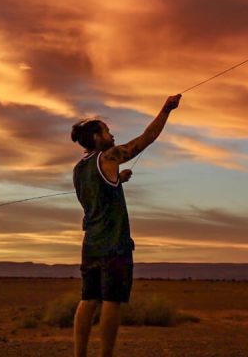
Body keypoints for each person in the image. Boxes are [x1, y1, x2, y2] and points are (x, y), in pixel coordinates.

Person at [70, 94, 182, 357]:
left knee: (88, 300)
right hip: (114, 245)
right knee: (112, 302)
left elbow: (96, 197)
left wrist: (117, 179)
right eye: (107, 132)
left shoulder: (78, 168)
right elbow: (145, 139)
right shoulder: (109, 156)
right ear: (98, 138)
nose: (112, 135)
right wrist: (166, 110)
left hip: (91, 244)